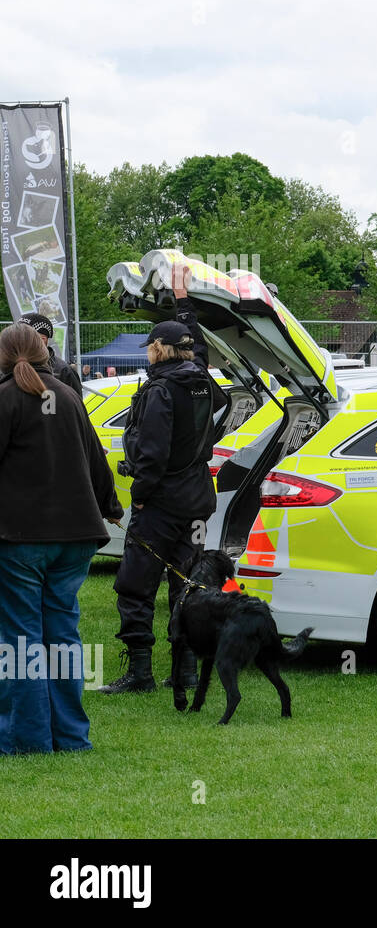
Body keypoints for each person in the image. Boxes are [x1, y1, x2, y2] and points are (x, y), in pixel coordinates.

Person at [0, 324, 123, 754]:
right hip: (77, 536)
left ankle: (27, 739)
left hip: (22, 539)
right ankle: (71, 738)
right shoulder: (69, 396)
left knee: (20, 638)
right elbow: (95, 456)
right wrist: (112, 506)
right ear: (43, 352)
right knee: (62, 632)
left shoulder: (6, 398)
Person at [102, 282, 222, 694]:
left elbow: (151, 454)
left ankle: (139, 674)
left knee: (135, 586)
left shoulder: (160, 391)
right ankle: (185, 670)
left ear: (158, 349)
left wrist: (138, 496)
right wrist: (184, 301)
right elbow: (198, 348)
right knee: (185, 584)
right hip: (196, 499)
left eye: (149, 345)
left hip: (161, 502)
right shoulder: (201, 377)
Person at [18, 313, 80, 392]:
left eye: (23, 336)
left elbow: (75, 402)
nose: (17, 340)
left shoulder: (63, 371)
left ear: (42, 340)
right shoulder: (7, 366)